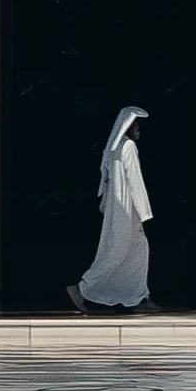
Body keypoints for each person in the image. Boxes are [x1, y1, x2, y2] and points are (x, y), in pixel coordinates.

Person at [70, 105, 151, 311]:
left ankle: (138, 295)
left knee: (139, 250)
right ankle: (82, 287)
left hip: (118, 208)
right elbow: (135, 179)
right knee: (115, 252)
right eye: (135, 123)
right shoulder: (128, 147)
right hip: (127, 209)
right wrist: (143, 212)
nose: (138, 127)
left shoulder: (114, 146)